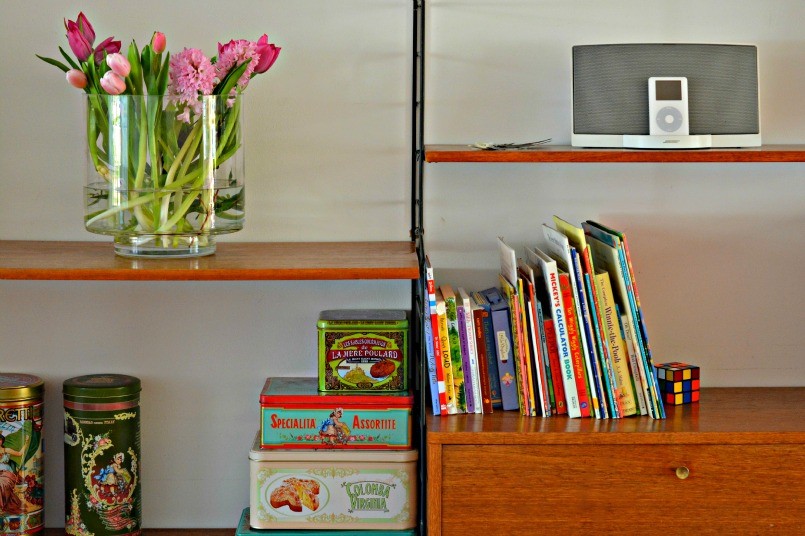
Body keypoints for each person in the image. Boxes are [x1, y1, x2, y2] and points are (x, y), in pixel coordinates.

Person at [0, 434, 24, 515]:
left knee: (2, 483)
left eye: (0, 440)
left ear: (2, 441)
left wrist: (27, 443)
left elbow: (20, 453)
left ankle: (3, 505)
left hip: (6, 472)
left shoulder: (6, 450)